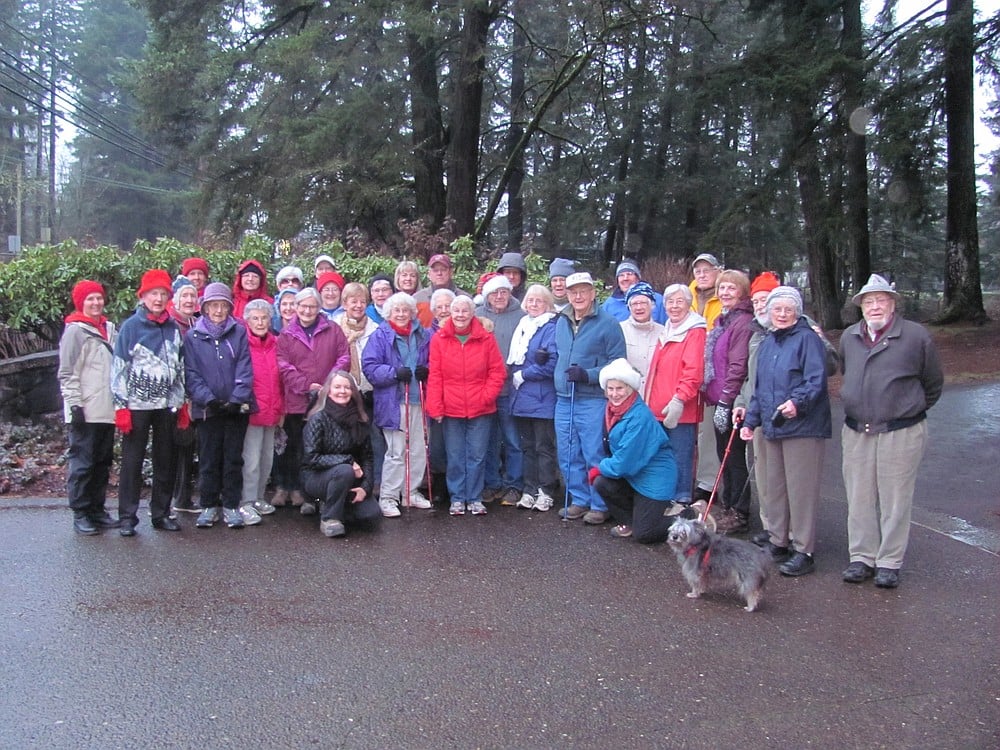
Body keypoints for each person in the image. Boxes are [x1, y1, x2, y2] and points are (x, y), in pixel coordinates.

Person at [838, 274, 943, 589]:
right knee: (859, 497)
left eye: (880, 300)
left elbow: (933, 382)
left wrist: (907, 408)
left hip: (901, 431)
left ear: (893, 303)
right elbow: (847, 371)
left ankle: (889, 562)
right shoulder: (849, 337)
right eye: (868, 302)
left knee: (896, 499)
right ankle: (862, 557)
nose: (874, 307)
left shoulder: (915, 336)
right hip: (857, 430)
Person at [738, 286, 832, 577]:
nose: (781, 314)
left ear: (797, 312)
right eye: (776, 309)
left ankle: (804, 549)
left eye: (787, 309)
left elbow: (816, 381)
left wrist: (797, 403)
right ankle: (778, 541)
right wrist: (750, 422)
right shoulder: (767, 343)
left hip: (802, 426)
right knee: (775, 486)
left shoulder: (807, 340)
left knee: (800, 490)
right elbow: (759, 389)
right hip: (771, 425)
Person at [112, 269, 188, 536]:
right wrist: (121, 406)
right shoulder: (131, 327)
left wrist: (181, 403)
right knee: (132, 462)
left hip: (166, 405)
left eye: (163, 294)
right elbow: (119, 366)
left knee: (165, 460)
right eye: (154, 293)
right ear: (143, 296)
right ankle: (127, 517)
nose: (158, 298)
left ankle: (161, 513)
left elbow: (179, 366)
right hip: (137, 405)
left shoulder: (172, 327)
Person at [554, 271, 627, 524]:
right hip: (564, 397)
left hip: (592, 398)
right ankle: (579, 499)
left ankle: (599, 503)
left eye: (583, 291)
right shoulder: (561, 320)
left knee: (593, 452)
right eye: (573, 292)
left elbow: (618, 363)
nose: (578, 296)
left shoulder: (608, 323)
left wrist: (588, 375)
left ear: (593, 293)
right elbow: (559, 354)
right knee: (568, 452)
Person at [425, 295, 506, 516]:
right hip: (451, 408)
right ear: (451, 313)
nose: (461, 315)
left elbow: (497, 372)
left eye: (465, 311)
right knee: (455, 455)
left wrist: (486, 397)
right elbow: (435, 376)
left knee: (478, 455)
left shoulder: (486, 338)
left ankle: (475, 497)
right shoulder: (439, 339)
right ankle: (458, 497)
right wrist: (435, 406)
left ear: (473, 313)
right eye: (457, 311)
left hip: (481, 407)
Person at [184, 283, 255, 530]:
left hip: (235, 408)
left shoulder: (239, 332)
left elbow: (245, 367)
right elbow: (191, 373)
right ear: (205, 308)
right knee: (208, 458)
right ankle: (208, 505)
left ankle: (231, 506)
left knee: (233, 458)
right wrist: (209, 399)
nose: (218, 310)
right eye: (213, 305)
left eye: (223, 305)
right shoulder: (193, 336)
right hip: (208, 409)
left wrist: (236, 398)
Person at [275, 287, 351, 512]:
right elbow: (283, 365)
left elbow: (343, 356)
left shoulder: (333, 329)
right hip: (297, 401)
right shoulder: (286, 335)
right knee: (295, 448)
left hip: (327, 402)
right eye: (303, 306)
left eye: (312, 306)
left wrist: (328, 384)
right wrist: (306, 386)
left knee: (323, 449)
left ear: (319, 308)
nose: (307, 311)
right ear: (296, 308)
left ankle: (316, 496)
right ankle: (295, 489)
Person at [589, 358, 678, 542]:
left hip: (655, 479)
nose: (614, 394)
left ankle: (690, 515)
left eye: (620, 388)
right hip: (634, 475)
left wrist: (600, 467)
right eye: (610, 388)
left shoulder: (639, 417)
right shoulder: (614, 409)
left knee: (646, 535)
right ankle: (631, 522)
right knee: (601, 483)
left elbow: (623, 463)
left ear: (630, 389)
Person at [361, 292, 432, 517]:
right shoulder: (380, 336)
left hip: (419, 398)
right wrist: (392, 373)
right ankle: (389, 496)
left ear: (412, 313)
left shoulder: (424, 334)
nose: (401, 314)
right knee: (396, 451)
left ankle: (411, 492)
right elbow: (370, 366)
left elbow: (434, 360)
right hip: (394, 400)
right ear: (389, 313)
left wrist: (427, 370)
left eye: (405, 310)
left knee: (419, 449)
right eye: (396, 311)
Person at [58, 280, 118, 535]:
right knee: (83, 463)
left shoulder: (109, 328)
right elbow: (67, 371)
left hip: (107, 408)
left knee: (102, 462)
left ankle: (97, 508)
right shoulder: (75, 331)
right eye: (90, 299)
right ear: (80, 303)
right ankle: (81, 511)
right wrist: (74, 405)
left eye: (98, 298)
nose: (95, 303)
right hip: (86, 408)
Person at [644, 283, 707, 510]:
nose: (674, 306)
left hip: (680, 409)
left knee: (681, 456)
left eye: (679, 301)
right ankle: (664, 497)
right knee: (662, 456)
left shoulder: (695, 331)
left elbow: (694, 371)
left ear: (688, 304)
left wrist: (680, 399)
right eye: (670, 302)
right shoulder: (668, 329)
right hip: (658, 407)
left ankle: (681, 500)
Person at [702, 269, 754, 533]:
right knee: (724, 454)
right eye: (721, 288)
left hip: (731, 400)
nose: (725, 293)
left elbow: (737, 365)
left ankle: (739, 511)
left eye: (731, 289)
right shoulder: (724, 320)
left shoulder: (742, 322)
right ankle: (729, 504)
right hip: (721, 397)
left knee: (733, 457)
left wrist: (726, 400)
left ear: (742, 292)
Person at [301, 371, 381, 538]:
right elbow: (311, 458)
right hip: (316, 476)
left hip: (349, 477)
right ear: (328, 390)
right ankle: (330, 519)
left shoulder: (360, 419)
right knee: (344, 470)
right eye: (337, 387)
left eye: (347, 387)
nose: (342, 391)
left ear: (353, 392)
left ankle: (335, 503)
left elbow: (367, 457)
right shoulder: (318, 418)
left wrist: (365, 488)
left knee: (370, 514)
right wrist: (348, 461)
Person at [507, 284, 559, 511]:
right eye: (530, 300)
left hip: (541, 397)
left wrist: (525, 374)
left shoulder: (551, 327)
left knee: (543, 447)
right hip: (522, 397)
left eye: (539, 300)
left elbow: (552, 363)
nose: (534, 304)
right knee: (527, 446)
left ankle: (546, 490)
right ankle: (529, 489)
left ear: (548, 304)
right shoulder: (523, 326)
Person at [476, 274, 526, 505]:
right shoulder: (477, 316)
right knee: (487, 441)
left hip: (510, 390)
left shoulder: (521, 316)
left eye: (504, 292)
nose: (499, 296)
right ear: (487, 295)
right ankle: (491, 483)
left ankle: (514, 485)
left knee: (513, 440)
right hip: (483, 390)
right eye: (494, 293)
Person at [334, 282, 384, 493]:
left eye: (362, 301)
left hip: (369, 391)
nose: (358, 305)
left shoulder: (375, 329)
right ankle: (345, 482)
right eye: (353, 301)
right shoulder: (334, 327)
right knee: (343, 440)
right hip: (343, 393)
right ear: (344, 303)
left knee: (374, 439)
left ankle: (376, 482)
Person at [241, 298, 283, 525]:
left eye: (264, 317)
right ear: (247, 321)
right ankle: (245, 502)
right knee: (251, 459)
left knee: (267, 458)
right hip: (252, 411)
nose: (260, 322)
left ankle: (258, 497)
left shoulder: (276, 343)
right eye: (255, 318)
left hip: (273, 410)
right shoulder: (242, 343)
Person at [689, 252, 724, 501]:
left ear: (717, 271)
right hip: (689, 371)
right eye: (698, 270)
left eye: (707, 270)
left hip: (714, 374)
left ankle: (709, 483)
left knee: (709, 432)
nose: (702, 275)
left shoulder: (724, 296)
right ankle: (688, 480)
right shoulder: (686, 296)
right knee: (689, 431)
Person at [168, 276, 201, 515]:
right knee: (172, 449)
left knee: (187, 447)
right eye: (184, 296)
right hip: (174, 398)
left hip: (192, 396)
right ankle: (167, 501)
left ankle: (182, 498)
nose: (189, 300)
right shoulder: (171, 325)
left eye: (192, 295)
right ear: (175, 300)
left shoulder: (195, 324)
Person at [619, 281, 664, 393]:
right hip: (627, 395)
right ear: (628, 307)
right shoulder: (619, 330)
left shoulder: (663, 332)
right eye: (634, 304)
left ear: (652, 305)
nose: (639, 307)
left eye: (643, 303)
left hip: (655, 394)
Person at [601, 259, 666, 324]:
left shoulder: (657, 300)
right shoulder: (609, 304)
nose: (625, 278)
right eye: (621, 275)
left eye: (629, 274)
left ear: (638, 278)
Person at [414, 253, 468, 328]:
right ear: (429, 274)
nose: (439, 273)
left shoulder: (464, 297)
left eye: (443, 270)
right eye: (435, 270)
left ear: (451, 272)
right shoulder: (418, 298)